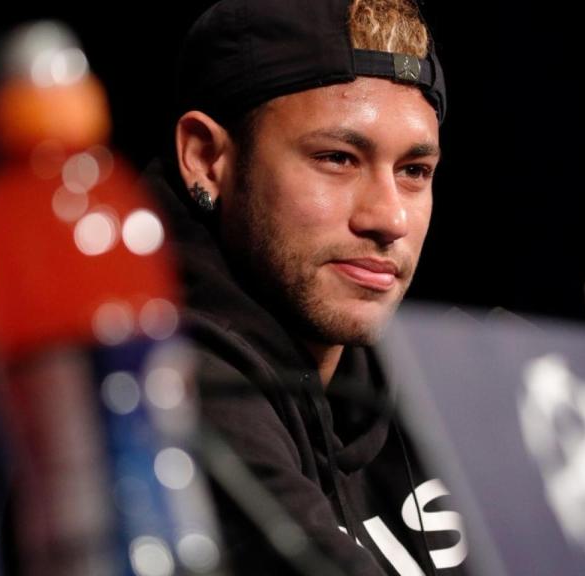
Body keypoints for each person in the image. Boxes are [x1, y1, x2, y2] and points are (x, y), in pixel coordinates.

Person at [141, 0, 467, 574]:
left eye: (414, 171)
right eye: (338, 158)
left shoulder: (431, 380)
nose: (389, 218)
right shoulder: (160, 384)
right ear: (207, 158)